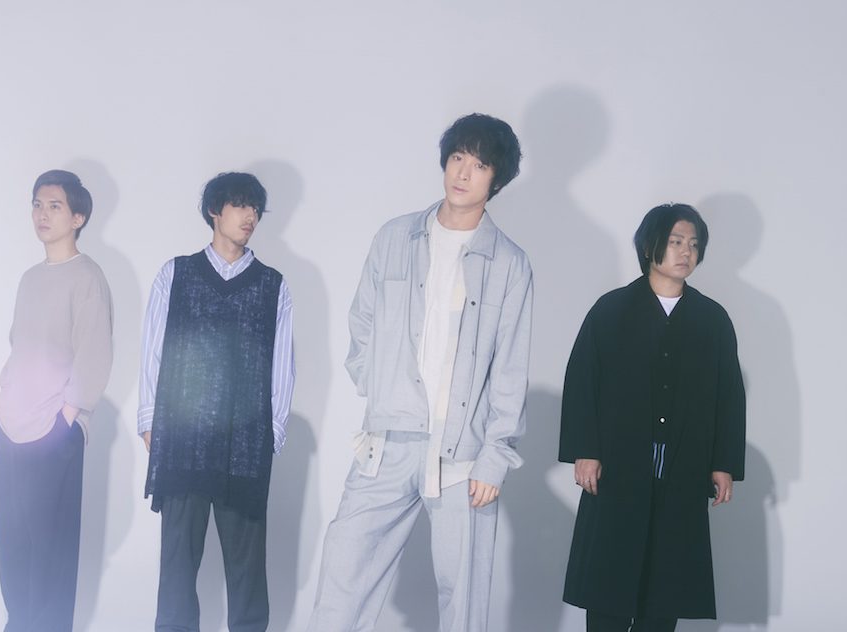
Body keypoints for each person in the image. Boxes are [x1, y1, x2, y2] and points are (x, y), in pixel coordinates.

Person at [307, 113, 533, 632]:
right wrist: (381, 390)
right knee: (343, 574)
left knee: (463, 600)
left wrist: (495, 456)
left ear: (496, 180)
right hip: (388, 440)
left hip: (464, 456)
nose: (463, 173)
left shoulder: (509, 264)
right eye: (458, 157)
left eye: (480, 165)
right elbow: (362, 325)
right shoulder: (395, 237)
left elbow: (511, 367)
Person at [558, 203, 746, 631]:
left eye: (693, 244)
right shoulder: (611, 310)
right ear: (649, 246)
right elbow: (583, 380)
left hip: (683, 467)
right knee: (608, 581)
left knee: (666, 584)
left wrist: (723, 463)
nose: (686, 252)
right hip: (618, 465)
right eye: (676, 241)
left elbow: (729, 396)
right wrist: (585, 451)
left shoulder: (712, 320)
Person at [138, 172, 294, 632]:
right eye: (240, 205)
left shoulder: (272, 285)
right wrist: (149, 419)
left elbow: (282, 363)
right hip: (182, 438)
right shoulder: (176, 274)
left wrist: (272, 433)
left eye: (256, 209)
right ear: (214, 210)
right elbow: (153, 349)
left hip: (244, 443)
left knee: (247, 570)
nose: (250, 216)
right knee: (177, 564)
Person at [0, 169, 114, 631]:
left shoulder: (87, 278)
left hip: (54, 431)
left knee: (51, 551)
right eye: (37, 205)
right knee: (12, 543)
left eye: (55, 206)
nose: (42, 214)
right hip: (12, 428)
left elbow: (94, 354)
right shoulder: (30, 279)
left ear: (78, 217)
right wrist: (5, 399)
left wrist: (66, 418)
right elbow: (19, 345)